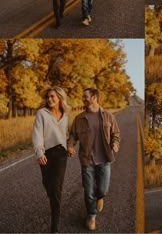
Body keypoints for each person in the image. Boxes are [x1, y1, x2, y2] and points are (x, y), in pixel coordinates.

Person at [67, 88, 120, 231]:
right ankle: (91, 215)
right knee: (88, 191)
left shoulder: (108, 116)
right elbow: (72, 136)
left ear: (95, 97)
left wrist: (115, 143)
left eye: (85, 96)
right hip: (87, 160)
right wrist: (70, 146)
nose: (83, 98)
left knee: (102, 190)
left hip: (104, 159)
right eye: (83, 96)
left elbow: (116, 133)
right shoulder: (79, 119)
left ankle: (100, 197)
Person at [32, 87, 71, 233]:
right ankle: (53, 197)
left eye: (52, 96)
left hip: (61, 154)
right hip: (46, 153)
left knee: (56, 188)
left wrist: (69, 147)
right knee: (47, 184)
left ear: (60, 98)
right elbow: (37, 134)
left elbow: (64, 134)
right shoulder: (42, 113)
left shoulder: (65, 115)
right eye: (47, 97)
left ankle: (54, 227)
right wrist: (39, 152)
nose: (49, 99)